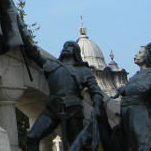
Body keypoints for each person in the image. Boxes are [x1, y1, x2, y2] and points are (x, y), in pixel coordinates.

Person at [19, 23, 105, 151]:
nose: (66, 48)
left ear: (76, 51)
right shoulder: (51, 64)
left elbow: (95, 90)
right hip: (53, 107)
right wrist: (23, 34)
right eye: (65, 46)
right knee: (32, 136)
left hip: (73, 109)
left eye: (70, 46)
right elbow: (33, 53)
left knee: (76, 145)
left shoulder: (83, 70)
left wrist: (97, 105)